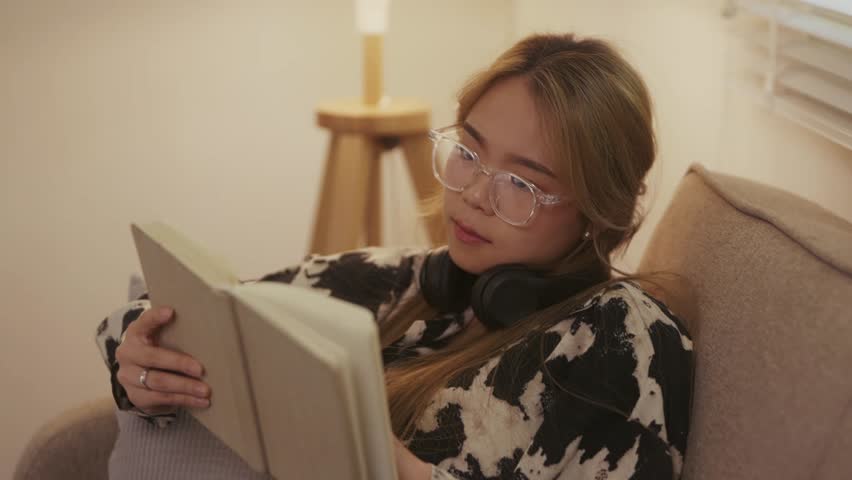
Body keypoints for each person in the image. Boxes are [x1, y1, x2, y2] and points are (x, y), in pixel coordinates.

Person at [96, 33, 694, 480]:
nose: (473, 195)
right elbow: (211, 306)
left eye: (522, 184)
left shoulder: (621, 336)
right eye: (469, 152)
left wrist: (372, 457)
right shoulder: (409, 277)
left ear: (596, 212)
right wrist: (139, 354)